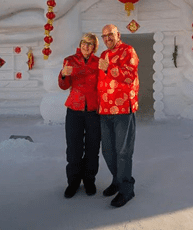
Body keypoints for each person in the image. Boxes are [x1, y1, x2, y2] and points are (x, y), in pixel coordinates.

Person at [98, 24, 139, 208]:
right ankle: (117, 180)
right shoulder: (103, 55)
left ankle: (126, 189)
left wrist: (110, 68)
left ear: (118, 34)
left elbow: (130, 76)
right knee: (107, 150)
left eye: (110, 35)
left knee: (123, 152)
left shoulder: (128, 51)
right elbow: (100, 82)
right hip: (105, 110)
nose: (107, 38)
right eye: (104, 36)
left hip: (123, 109)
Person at [58, 33, 101, 198]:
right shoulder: (69, 60)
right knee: (74, 148)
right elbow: (64, 85)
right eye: (84, 42)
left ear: (94, 47)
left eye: (90, 44)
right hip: (74, 110)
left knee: (92, 148)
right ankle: (73, 182)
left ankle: (89, 180)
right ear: (80, 44)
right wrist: (63, 74)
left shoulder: (98, 62)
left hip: (93, 111)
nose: (86, 46)